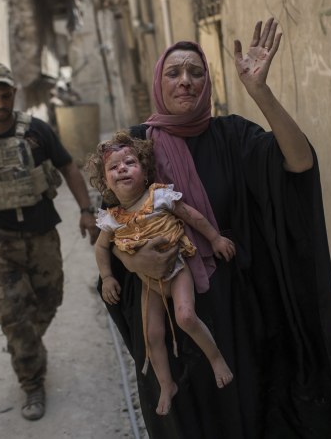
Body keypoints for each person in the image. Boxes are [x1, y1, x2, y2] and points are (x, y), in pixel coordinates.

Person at [99, 19, 331, 438]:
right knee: (182, 420)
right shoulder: (136, 147)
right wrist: (130, 257)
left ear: (208, 82)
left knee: (242, 412)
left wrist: (260, 92)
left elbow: (298, 163)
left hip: (232, 312)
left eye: (196, 72)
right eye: (174, 73)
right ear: (159, 82)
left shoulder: (232, 136)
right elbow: (110, 224)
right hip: (161, 307)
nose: (185, 81)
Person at [0, 61, 98, 421]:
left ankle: (25, 344)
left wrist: (86, 209)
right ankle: (32, 382)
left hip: (42, 235)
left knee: (49, 300)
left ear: (14, 94)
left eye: (5, 94)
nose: (0, 102)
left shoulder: (37, 130)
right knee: (15, 317)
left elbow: (68, 167)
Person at [87, 131, 236, 415]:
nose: (121, 168)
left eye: (129, 162)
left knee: (186, 317)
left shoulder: (159, 196)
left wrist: (215, 238)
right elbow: (100, 249)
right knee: (152, 336)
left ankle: (216, 359)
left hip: (178, 268)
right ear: (106, 182)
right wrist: (107, 277)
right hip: (148, 282)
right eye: (113, 167)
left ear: (144, 172)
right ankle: (167, 385)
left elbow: (192, 216)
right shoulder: (113, 218)